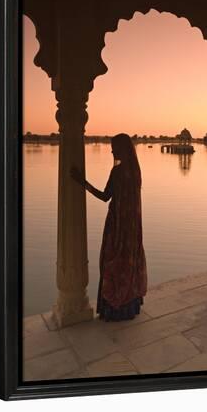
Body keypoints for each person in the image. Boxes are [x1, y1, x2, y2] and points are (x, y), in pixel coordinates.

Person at [71, 133, 147, 321]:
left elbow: (106, 197)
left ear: (122, 149)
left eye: (114, 147)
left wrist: (83, 183)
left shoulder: (119, 172)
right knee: (128, 262)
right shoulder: (136, 172)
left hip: (117, 226)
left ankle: (114, 308)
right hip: (133, 228)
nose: (112, 150)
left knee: (112, 262)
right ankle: (130, 306)